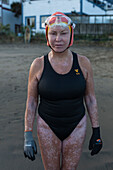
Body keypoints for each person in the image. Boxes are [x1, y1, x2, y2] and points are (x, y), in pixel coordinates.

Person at [24, 12, 103, 170]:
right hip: (47, 126)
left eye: (63, 33)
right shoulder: (38, 65)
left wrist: (97, 132)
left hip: (77, 126)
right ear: (47, 35)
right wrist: (27, 134)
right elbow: (32, 102)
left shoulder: (83, 63)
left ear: (71, 35)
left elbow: (90, 99)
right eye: (53, 33)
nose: (58, 39)